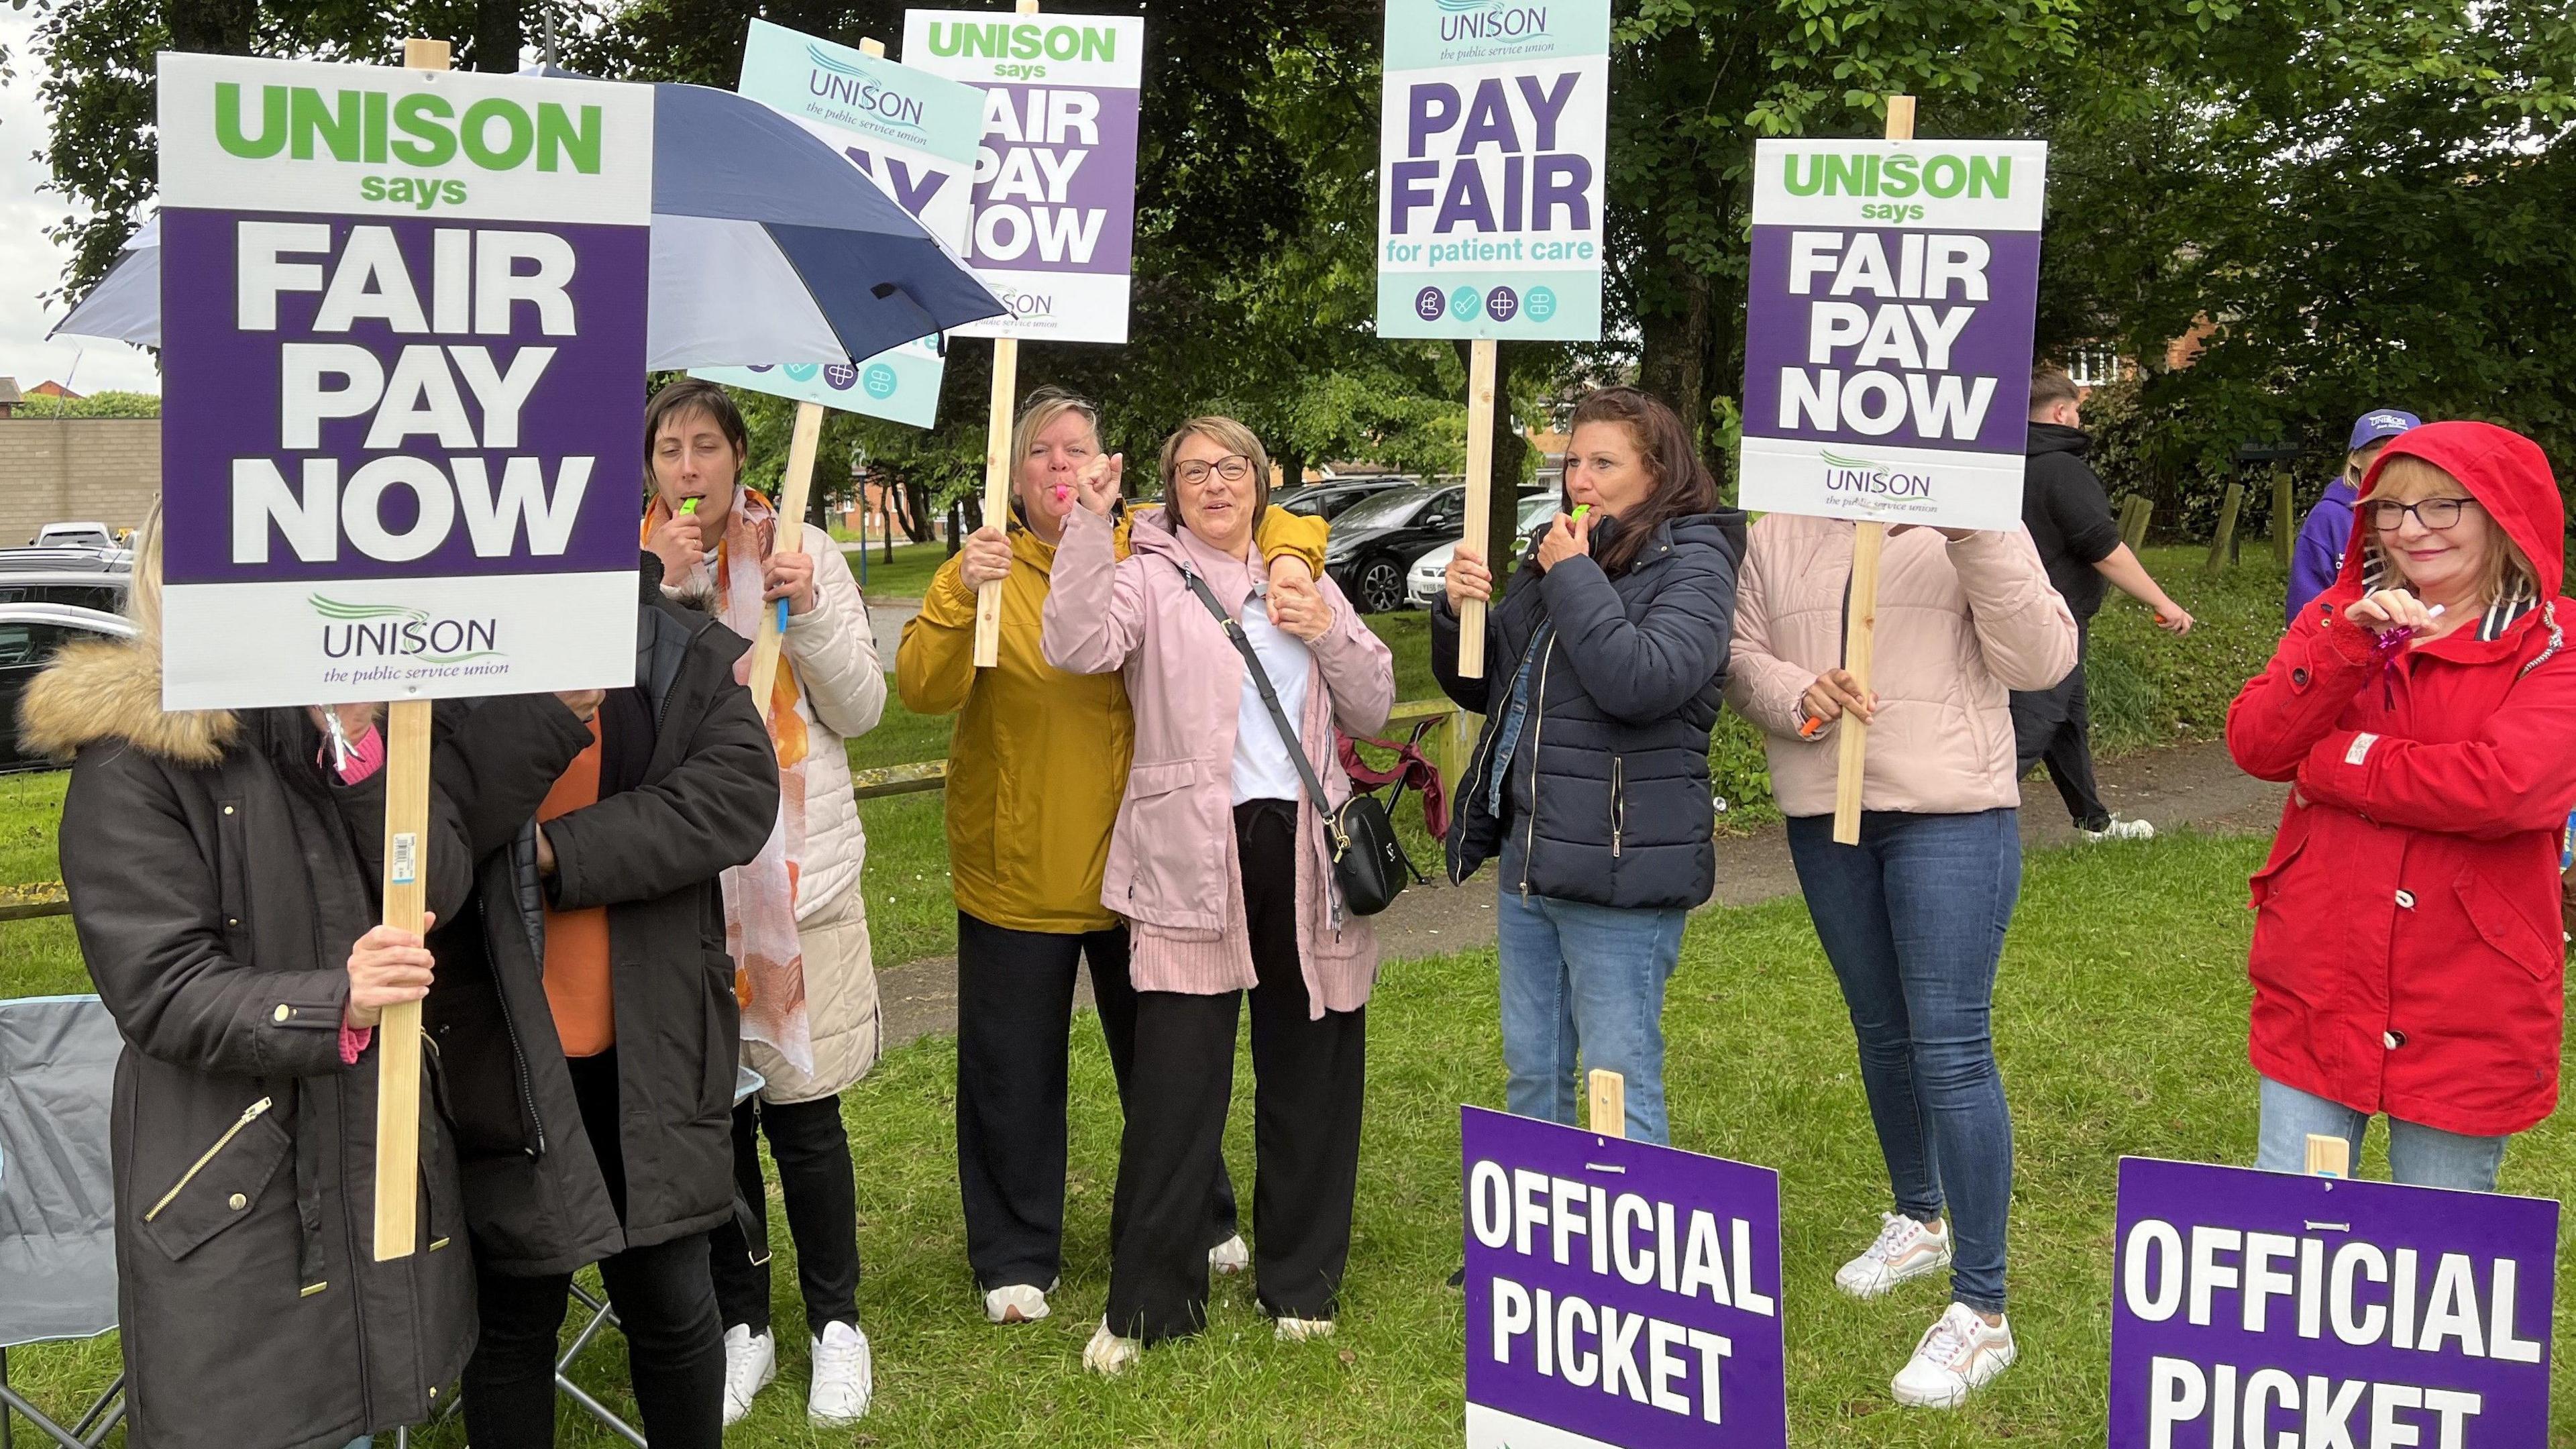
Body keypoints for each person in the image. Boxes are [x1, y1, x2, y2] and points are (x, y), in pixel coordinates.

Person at [29, 510, 501, 1449]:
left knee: (353, 1415)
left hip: (360, 1164)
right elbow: (160, 987)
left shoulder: (327, 723)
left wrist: (367, 757)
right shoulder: (131, 761)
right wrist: (341, 1000)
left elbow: (438, 886)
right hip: (234, 1192)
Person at [894, 388, 1327, 1326]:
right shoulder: (985, 567)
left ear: (1110, 465)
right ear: (1013, 478)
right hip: (1022, 864)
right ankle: (1015, 1252)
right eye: (1041, 453)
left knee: (1171, 1060)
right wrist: (957, 589)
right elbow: (922, 691)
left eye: (1077, 449)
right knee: (1012, 1069)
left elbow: (1280, 516)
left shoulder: (1152, 541)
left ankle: (1202, 1218)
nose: (1061, 466)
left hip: (1149, 864)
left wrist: (1291, 555)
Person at [425, 415, 781, 1446]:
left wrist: (555, 855)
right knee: (513, 1322)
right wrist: (531, 724)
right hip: (505, 1050)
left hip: (651, 1046)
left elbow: (732, 797)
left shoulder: (680, 653)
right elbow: (433, 836)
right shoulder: (451, 657)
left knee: (673, 1305)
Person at [1041, 416, 1393, 1373]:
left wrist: (1329, 633)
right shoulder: (1148, 572)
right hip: (1193, 849)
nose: (1213, 484)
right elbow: (1074, 643)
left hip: (1304, 845)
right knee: (1175, 1080)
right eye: (1191, 470)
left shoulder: (1303, 575)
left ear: (1263, 477)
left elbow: (1372, 701)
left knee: (1311, 1060)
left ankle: (1301, 1281)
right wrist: (1088, 521)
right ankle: (1153, 1303)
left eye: (1230, 467)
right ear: (1169, 487)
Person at [1725, 502, 2077, 1408]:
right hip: (1825, 813)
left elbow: (2043, 659)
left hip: (1951, 814)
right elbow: (1740, 655)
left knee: (1951, 1049)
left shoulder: (1975, 518)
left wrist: (1974, 535)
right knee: (1880, 1030)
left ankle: (1983, 1311)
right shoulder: (1779, 528)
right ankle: (1920, 1218)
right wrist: (1798, 693)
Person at [2229, 421, 2576, 1189]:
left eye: (2443, 507)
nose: (2411, 530)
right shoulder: (2337, 620)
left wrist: (2340, 763)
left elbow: (2508, 788)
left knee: (2441, 1243)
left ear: (2503, 512)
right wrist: (2340, 650)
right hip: (2319, 977)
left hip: (2469, 993)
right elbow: (2257, 746)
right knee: (2296, 1227)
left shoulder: (2556, 643)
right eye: (2389, 508)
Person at [636, 380, 889, 1426]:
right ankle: (746, 1325)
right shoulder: (629, 563)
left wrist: (812, 609)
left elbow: (863, 710)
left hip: (797, 878)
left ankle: (838, 1324)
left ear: (741, 456)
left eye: (706, 446)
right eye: (668, 449)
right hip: (686, 892)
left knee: (804, 1115)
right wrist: (657, 591)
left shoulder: (804, 550)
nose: (688, 468)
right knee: (715, 1126)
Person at [1431, 386, 1743, 1146]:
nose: (1581, 480)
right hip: (1532, 855)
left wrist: (1572, 577)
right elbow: (1486, 682)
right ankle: (1541, 1253)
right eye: (1574, 462)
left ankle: (1631, 1258)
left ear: (1659, 470)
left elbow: (1645, 681)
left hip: (1617, 862)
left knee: (1617, 1078)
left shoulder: (1695, 558)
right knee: (1534, 1072)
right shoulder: (1563, 549)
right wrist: (1456, 616)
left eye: (1604, 462)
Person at [2013, 366, 2194, 842]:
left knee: (2068, 720)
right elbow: (2103, 548)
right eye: (2075, 411)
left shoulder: (2013, 466)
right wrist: (2164, 602)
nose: (2078, 420)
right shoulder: (2063, 470)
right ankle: (1960, 814)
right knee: (2034, 726)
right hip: (2052, 618)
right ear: (2060, 412)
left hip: (2021, 611)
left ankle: (2094, 822)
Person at [2286, 408, 2420, 622]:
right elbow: (2303, 610)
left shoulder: (2436, 516)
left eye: (2403, 447)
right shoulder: (2329, 516)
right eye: (2377, 448)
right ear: (2356, 458)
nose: (2390, 455)